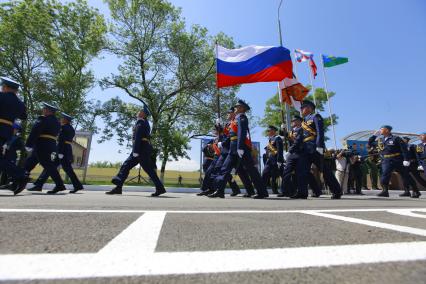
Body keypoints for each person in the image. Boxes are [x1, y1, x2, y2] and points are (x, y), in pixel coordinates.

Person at [209, 100, 267, 199]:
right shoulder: (234, 120)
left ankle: (262, 192)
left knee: (251, 170)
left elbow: (241, 132)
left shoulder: (242, 117)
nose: (235, 108)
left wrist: (240, 147)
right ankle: (219, 190)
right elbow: (230, 135)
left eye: (237, 107)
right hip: (232, 148)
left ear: (242, 108)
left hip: (241, 148)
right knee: (225, 169)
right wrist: (221, 139)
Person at [106, 104, 166, 196]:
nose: (138, 112)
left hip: (141, 150)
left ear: (144, 114)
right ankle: (118, 187)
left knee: (148, 169)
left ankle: (160, 188)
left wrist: (135, 151)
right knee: (126, 166)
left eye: (140, 111)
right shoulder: (142, 122)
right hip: (140, 149)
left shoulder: (141, 123)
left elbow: (138, 138)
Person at [27, 113, 84, 193]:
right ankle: (77, 185)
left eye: (62, 118)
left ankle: (40, 185)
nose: (61, 119)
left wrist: (60, 152)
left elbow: (62, 140)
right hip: (66, 150)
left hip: (62, 150)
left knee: (51, 167)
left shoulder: (63, 128)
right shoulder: (71, 129)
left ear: (65, 120)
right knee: (61, 168)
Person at [297, 100, 342, 199]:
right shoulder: (303, 122)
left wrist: (319, 146)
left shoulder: (315, 117)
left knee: (325, 171)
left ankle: (337, 191)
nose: (301, 110)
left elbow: (320, 133)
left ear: (309, 108)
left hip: (314, 148)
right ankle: (302, 192)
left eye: (302, 108)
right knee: (303, 170)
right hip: (305, 150)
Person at [24, 103, 66, 195]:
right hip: (51, 145)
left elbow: (35, 131)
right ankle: (33, 182)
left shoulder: (43, 119)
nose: (43, 110)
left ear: (47, 110)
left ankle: (59, 185)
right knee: (39, 163)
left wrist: (29, 144)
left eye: (44, 109)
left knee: (48, 165)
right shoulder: (57, 122)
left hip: (42, 144)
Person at [368, 126, 420, 198]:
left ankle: (416, 191)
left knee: (406, 176)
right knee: (385, 175)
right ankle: (385, 191)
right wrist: (374, 136)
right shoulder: (380, 139)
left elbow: (404, 149)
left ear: (387, 130)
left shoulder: (396, 138)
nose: (380, 130)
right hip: (386, 160)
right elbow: (370, 143)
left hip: (397, 159)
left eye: (381, 129)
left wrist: (406, 159)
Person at [0, 77, 28, 194]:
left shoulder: (1, 96)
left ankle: (21, 176)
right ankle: (20, 176)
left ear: (5, 87)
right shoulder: (20, 103)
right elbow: (24, 116)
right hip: (6, 131)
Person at [278, 116, 305, 197]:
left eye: (294, 121)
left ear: (299, 121)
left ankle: (299, 192)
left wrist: (290, 151)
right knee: (286, 172)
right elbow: (283, 134)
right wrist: (282, 128)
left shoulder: (301, 129)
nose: (292, 122)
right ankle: (285, 191)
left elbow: (298, 141)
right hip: (292, 155)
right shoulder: (292, 131)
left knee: (298, 174)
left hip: (299, 154)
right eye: (292, 120)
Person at [262, 125, 283, 195]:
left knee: (275, 176)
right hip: (269, 160)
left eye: (269, 130)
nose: (268, 132)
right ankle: (262, 191)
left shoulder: (277, 138)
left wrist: (279, 160)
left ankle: (276, 190)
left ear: (273, 131)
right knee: (264, 174)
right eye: (267, 131)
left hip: (275, 160)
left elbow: (280, 150)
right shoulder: (270, 139)